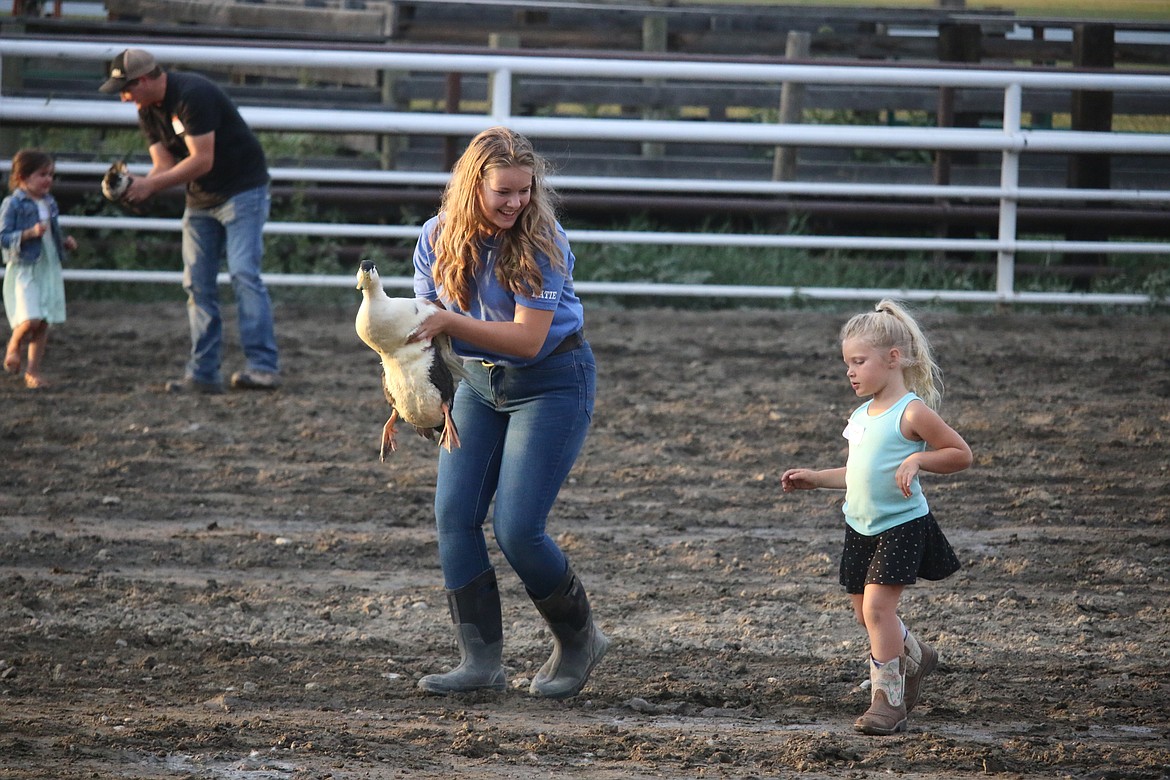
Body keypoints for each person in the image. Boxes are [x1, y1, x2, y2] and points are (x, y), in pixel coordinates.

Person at [407, 126, 608, 699]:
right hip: (475, 381)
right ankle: (480, 661)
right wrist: (425, 390)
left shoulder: (543, 241)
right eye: (504, 193)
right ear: (473, 187)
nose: (516, 203)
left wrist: (447, 323)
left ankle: (580, 640)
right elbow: (424, 326)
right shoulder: (435, 237)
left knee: (518, 529)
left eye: (524, 191)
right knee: (454, 516)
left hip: (552, 380)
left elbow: (525, 341)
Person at [780, 299, 972, 736]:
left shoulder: (912, 411)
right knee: (865, 615)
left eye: (859, 361)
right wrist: (816, 478)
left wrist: (919, 461)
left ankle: (888, 700)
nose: (850, 371)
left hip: (901, 525)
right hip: (860, 525)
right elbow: (856, 473)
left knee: (878, 610)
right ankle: (916, 655)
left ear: (893, 359)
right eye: (847, 362)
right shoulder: (860, 415)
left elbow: (960, 454)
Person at [99, 48, 280, 394]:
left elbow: (202, 160)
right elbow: (163, 165)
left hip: (242, 190)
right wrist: (136, 186)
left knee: (243, 273)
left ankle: (263, 367)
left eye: (127, 89)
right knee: (197, 283)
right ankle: (204, 373)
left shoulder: (192, 95)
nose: (124, 98)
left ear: (147, 79)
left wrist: (150, 185)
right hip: (201, 197)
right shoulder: (147, 109)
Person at [1, 149, 77, 389]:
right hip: (25, 266)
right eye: (42, 174)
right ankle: (14, 344)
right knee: (31, 318)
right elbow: (3, 236)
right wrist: (28, 234)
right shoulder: (12, 204)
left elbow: (53, 232)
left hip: (48, 265)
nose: (48, 180)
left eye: (51, 175)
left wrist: (64, 243)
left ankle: (32, 371)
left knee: (43, 321)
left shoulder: (49, 203)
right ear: (22, 177)